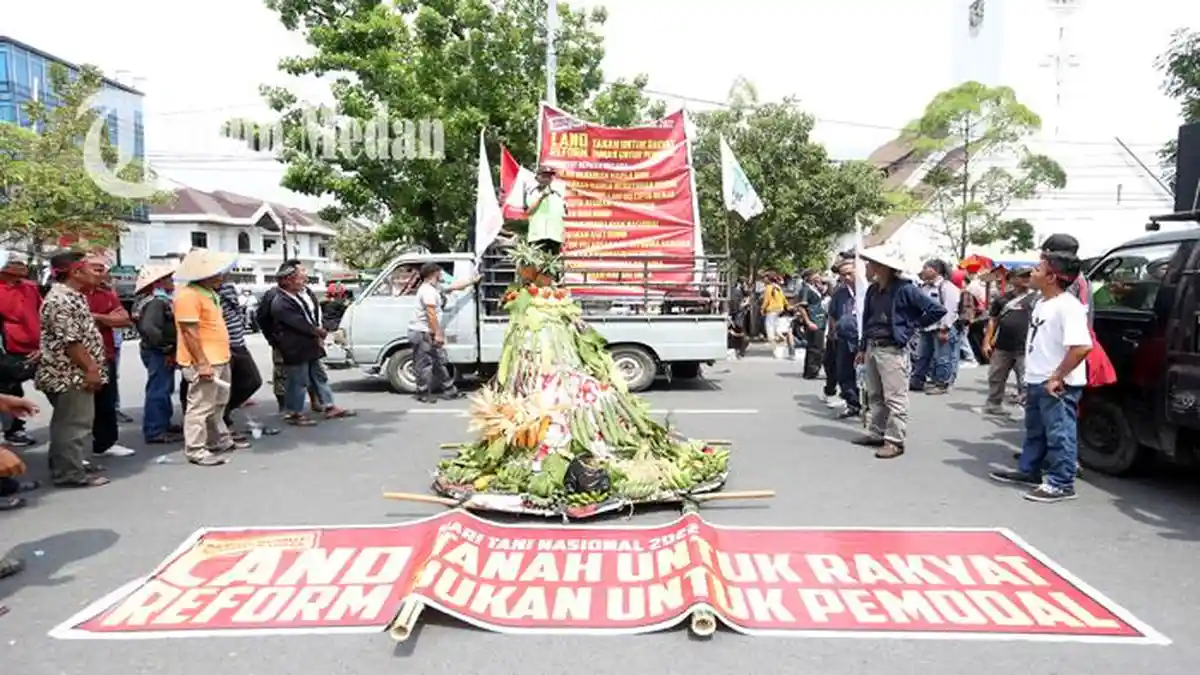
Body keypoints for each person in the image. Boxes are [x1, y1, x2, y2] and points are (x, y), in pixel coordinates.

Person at [989, 252, 1091, 503]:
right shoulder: (1042, 303)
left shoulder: (1069, 307)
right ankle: (1029, 470)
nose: (1031, 273)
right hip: (1036, 379)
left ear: (1051, 277)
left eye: (1037, 269)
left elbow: (1081, 347)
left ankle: (1062, 483)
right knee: (1035, 431)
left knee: (1059, 434)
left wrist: (1057, 376)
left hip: (1056, 383)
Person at [852, 247, 947, 459]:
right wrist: (861, 347)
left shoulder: (905, 289)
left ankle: (895, 440)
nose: (867, 267)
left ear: (882, 267)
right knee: (875, 395)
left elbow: (936, 310)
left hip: (892, 349)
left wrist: (911, 326)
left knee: (895, 397)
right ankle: (877, 432)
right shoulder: (873, 290)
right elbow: (867, 321)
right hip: (873, 346)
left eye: (871, 264)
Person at [37, 250, 110, 487]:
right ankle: (69, 473)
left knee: (76, 423)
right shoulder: (60, 299)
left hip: (75, 372)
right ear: (76, 271)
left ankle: (74, 463)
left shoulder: (74, 296)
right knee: (72, 425)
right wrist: (91, 368)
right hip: (68, 374)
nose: (99, 274)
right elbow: (71, 341)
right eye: (93, 268)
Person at [174, 249, 242, 466]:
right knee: (201, 406)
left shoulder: (209, 293)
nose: (220, 275)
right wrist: (202, 363)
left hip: (219, 357)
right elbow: (189, 332)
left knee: (218, 403)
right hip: (204, 361)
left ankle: (217, 440)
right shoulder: (188, 295)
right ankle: (196, 449)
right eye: (215, 272)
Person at [270, 263, 355, 424]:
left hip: (310, 344)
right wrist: (318, 332)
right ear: (288, 280)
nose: (303, 279)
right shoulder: (280, 302)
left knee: (319, 376)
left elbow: (311, 315)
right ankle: (294, 413)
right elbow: (299, 323)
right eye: (299, 276)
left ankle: (328, 405)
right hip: (295, 347)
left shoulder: (301, 295)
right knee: (298, 380)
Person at [86, 256, 137, 457]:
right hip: (77, 357)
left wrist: (98, 317)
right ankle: (75, 452)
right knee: (77, 408)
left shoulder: (106, 294)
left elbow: (124, 319)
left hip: (106, 352)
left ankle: (105, 443)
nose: (100, 274)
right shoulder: (70, 295)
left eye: (102, 270)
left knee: (106, 402)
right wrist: (109, 319)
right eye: (95, 269)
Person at [131, 262, 182, 444]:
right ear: (158, 282)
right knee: (159, 389)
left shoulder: (150, 300)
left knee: (163, 387)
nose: (172, 281)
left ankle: (162, 423)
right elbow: (150, 328)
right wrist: (166, 348)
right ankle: (155, 430)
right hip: (158, 351)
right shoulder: (156, 302)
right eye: (168, 278)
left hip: (156, 349)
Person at [218, 280, 270, 440]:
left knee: (252, 381)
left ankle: (223, 414)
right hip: (222, 345)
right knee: (219, 389)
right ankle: (218, 424)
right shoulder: (203, 292)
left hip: (237, 342)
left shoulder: (227, 287)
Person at [0, 252, 42, 447]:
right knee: (10, 391)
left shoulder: (31, 288)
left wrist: (43, 344)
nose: (22, 267)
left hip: (37, 347)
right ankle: (13, 430)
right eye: (16, 263)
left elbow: (41, 313)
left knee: (58, 388)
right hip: (9, 350)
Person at [981, 267, 1035, 415]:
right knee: (996, 376)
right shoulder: (1001, 299)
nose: (1026, 278)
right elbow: (993, 321)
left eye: (1028, 276)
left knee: (1025, 380)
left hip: (1025, 346)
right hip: (1003, 345)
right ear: (1011, 279)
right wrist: (987, 341)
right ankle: (993, 403)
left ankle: (1026, 409)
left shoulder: (1036, 299)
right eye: (1021, 276)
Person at [409, 263, 463, 403]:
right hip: (423, 332)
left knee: (439, 362)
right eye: (440, 272)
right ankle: (423, 393)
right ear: (434, 274)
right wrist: (437, 333)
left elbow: (454, 287)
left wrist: (473, 280)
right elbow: (431, 314)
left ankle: (450, 390)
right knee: (424, 364)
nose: (442, 275)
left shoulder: (435, 288)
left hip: (428, 331)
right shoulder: (427, 291)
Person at [910, 259, 961, 395]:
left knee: (942, 356)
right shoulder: (924, 287)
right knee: (922, 355)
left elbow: (949, 309)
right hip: (926, 328)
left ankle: (942, 383)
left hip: (941, 328)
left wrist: (945, 328)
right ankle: (918, 380)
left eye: (925, 268)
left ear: (934, 270)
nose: (923, 271)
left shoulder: (946, 287)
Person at [826, 260, 862, 419]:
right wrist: (832, 332)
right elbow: (833, 314)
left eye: (850, 273)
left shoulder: (868, 290)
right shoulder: (839, 293)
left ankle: (870, 407)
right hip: (844, 338)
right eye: (843, 275)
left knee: (866, 374)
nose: (847, 277)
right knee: (844, 372)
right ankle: (852, 404)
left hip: (863, 338)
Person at [523, 166, 568, 255]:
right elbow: (529, 211)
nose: (547, 179)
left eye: (549, 176)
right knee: (537, 266)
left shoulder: (558, 194)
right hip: (537, 236)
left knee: (552, 265)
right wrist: (541, 197)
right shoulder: (531, 192)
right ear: (537, 177)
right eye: (544, 176)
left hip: (555, 236)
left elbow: (564, 214)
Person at [795, 269, 826, 377]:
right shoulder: (805, 289)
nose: (818, 276)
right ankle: (811, 370)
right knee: (815, 346)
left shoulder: (815, 288)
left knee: (818, 345)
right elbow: (802, 307)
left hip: (820, 319)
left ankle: (814, 369)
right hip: (813, 319)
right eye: (815, 275)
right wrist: (808, 322)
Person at [760, 273, 788, 355]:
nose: (763, 280)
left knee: (770, 329)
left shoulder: (768, 288)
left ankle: (776, 348)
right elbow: (784, 298)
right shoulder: (778, 287)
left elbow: (766, 300)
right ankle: (782, 342)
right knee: (775, 328)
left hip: (771, 309)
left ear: (768, 279)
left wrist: (762, 309)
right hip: (779, 309)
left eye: (765, 278)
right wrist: (788, 306)